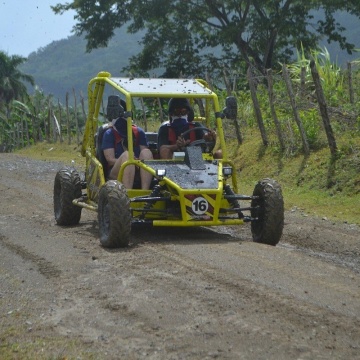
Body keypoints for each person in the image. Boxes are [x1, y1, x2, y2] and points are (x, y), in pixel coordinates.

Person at [101, 96, 153, 189]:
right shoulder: (109, 133)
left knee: (146, 152)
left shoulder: (138, 132)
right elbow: (110, 160)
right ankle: (128, 193)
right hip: (116, 172)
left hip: (138, 169)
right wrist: (130, 161)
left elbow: (145, 154)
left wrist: (136, 162)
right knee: (128, 155)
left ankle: (145, 191)